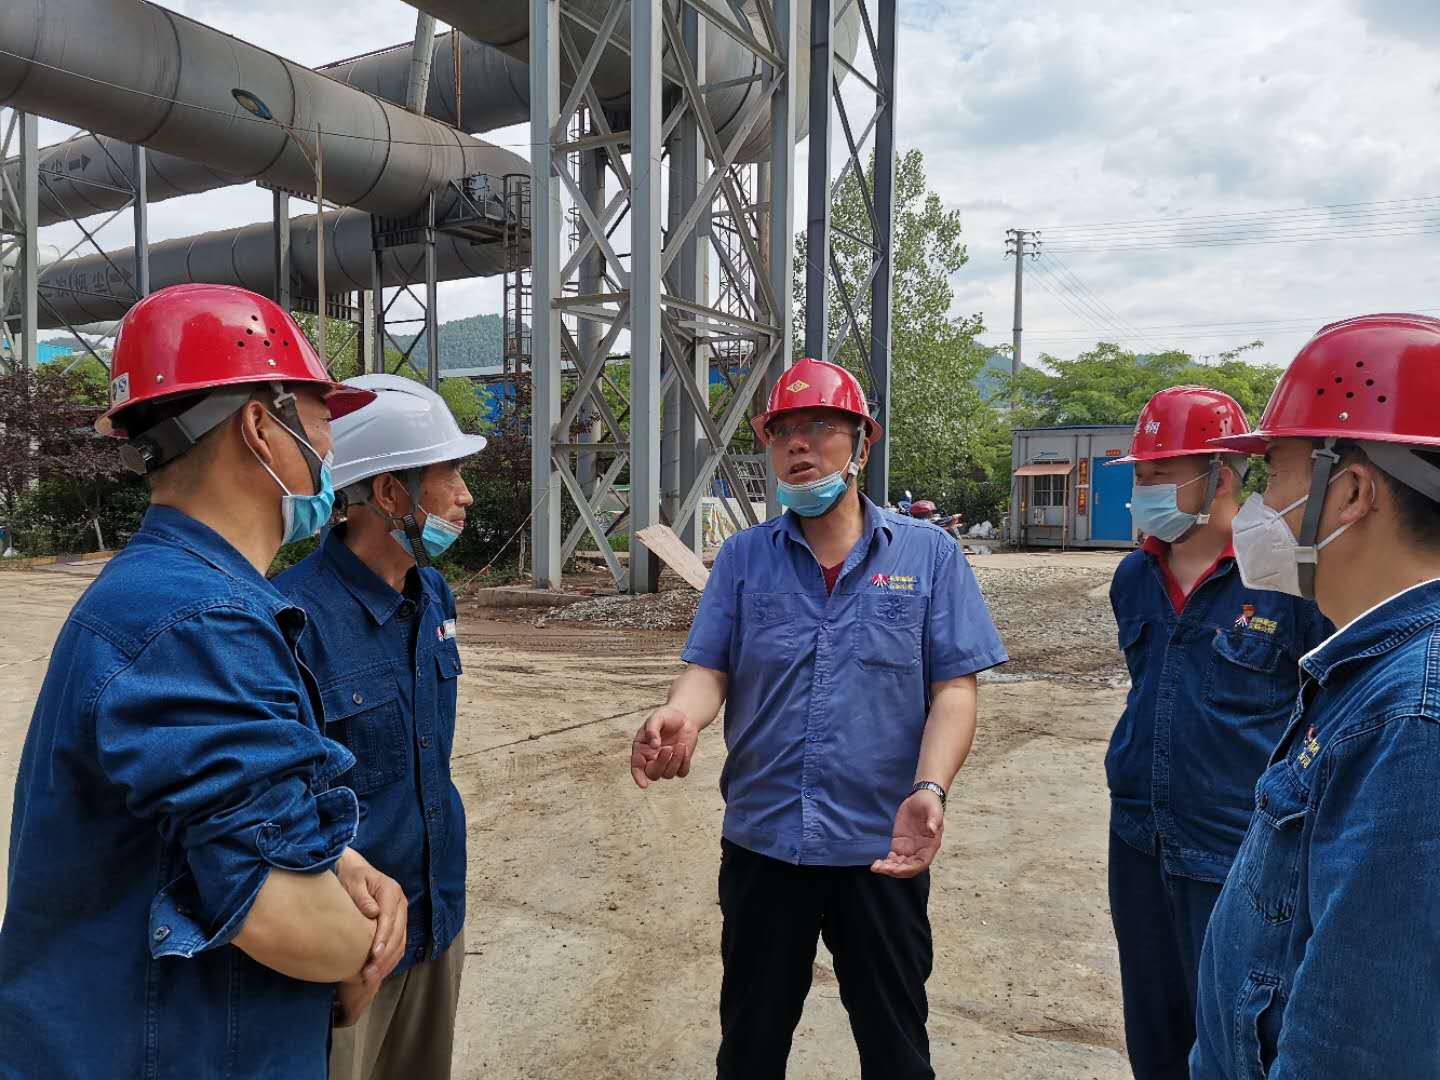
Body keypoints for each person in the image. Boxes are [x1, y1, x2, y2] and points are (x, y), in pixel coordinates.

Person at [0, 284, 410, 1078]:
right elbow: (288, 920)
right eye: (323, 419)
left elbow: (211, 828)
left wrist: (340, 864)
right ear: (262, 425)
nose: (331, 450)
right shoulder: (199, 619)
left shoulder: (164, 593)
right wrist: (360, 945)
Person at [629, 357, 1008, 1080]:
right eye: (783, 433)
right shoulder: (743, 559)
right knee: (750, 1042)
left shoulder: (928, 556)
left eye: (819, 429)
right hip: (765, 844)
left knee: (896, 1045)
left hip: (881, 847)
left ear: (862, 446)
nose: (798, 447)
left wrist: (930, 790)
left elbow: (955, 689)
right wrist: (680, 714)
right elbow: (711, 667)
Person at [1190, 315, 1440, 1077]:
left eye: (1276, 475)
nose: (1259, 508)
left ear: (1353, 490)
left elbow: (1356, 1050)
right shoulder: (1372, 673)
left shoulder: (1410, 719)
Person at [1103, 386, 1330, 1080]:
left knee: (1238, 1038)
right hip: (1139, 837)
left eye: (1158, 475)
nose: (1142, 491)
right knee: (1153, 1027)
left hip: (1237, 853)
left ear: (1222, 476)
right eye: (1139, 477)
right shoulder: (1133, 577)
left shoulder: (1289, 581)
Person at [274, 374, 487, 1080]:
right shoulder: (290, 620)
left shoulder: (432, 594)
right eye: (450, 475)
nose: (466, 495)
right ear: (390, 495)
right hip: (349, 948)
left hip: (436, 916)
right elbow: (278, 806)